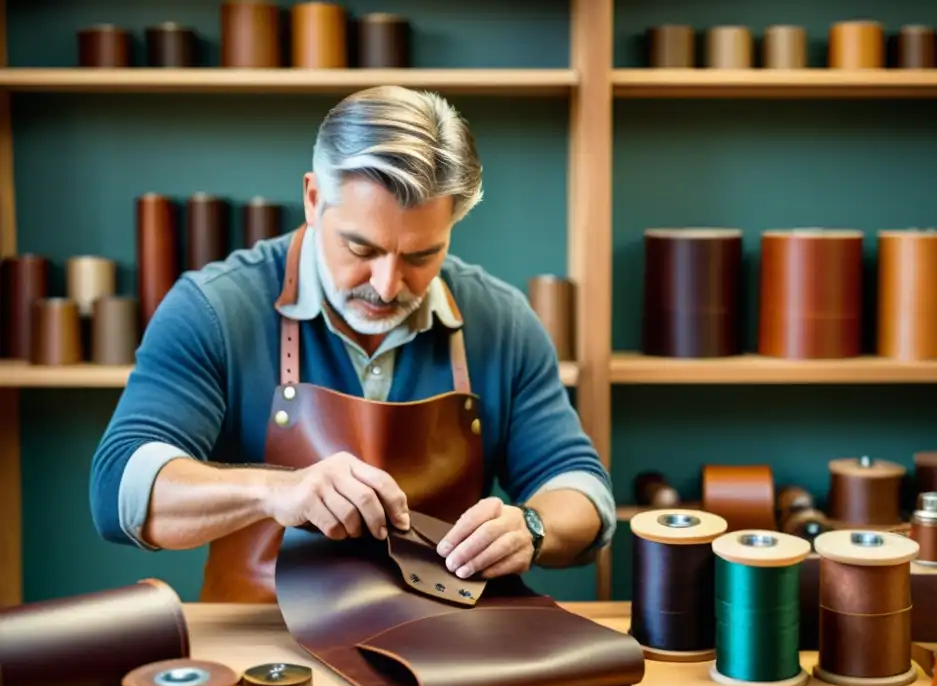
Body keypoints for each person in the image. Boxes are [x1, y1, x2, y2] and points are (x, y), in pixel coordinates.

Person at [89, 85, 616, 603]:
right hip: (261, 643)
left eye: (420, 256)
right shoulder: (214, 309)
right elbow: (121, 489)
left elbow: (583, 491)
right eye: (361, 247)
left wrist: (533, 524)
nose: (388, 285)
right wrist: (276, 491)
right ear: (314, 199)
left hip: (446, 640)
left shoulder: (501, 321)